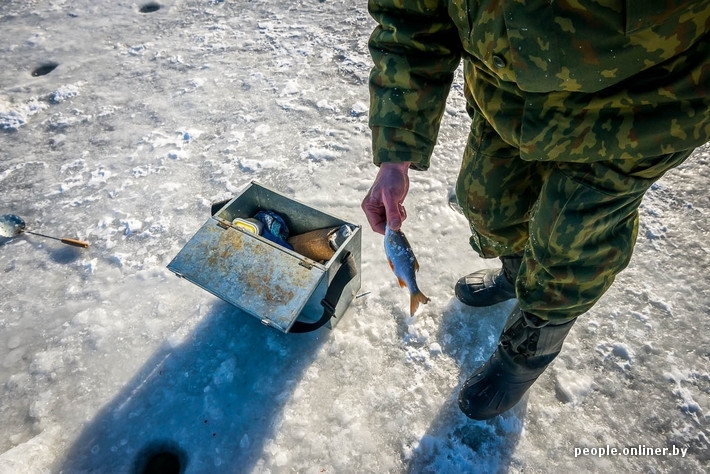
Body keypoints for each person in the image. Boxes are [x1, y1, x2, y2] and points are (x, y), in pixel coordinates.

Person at [361, 0, 710, 420]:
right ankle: (516, 273)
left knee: (570, 244)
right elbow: (410, 21)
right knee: (485, 203)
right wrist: (395, 152)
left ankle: (531, 346)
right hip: (506, 100)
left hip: (641, 109)